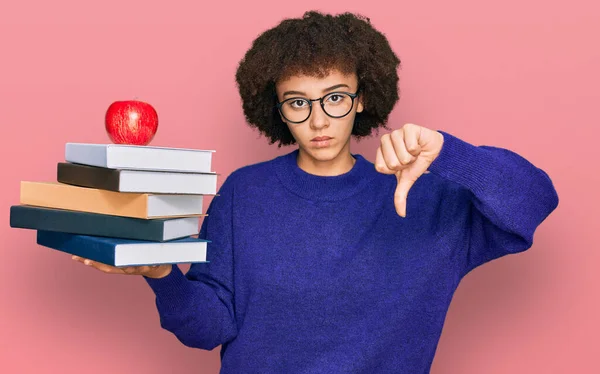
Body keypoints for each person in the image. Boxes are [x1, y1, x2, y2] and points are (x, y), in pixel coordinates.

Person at [72, 10, 559, 373]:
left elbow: (535, 200)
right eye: (298, 102)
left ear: (362, 97)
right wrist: (161, 273)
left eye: (335, 97)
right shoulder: (245, 194)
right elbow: (208, 329)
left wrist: (447, 151)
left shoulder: (425, 201)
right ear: (278, 110)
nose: (320, 119)